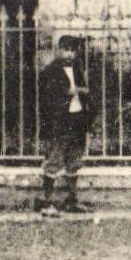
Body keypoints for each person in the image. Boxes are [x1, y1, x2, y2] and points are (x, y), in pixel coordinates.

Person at [36, 36, 91, 215]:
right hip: (61, 121)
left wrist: (82, 93)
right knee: (55, 159)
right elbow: (48, 98)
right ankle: (47, 203)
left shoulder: (77, 69)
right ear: (59, 50)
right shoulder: (51, 71)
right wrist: (68, 92)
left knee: (74, 160)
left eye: (73, 50)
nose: (69, 54)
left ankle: (71, 201)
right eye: (66, 50)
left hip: (77, 119)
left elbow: (85, 91)